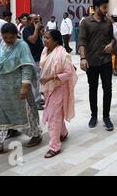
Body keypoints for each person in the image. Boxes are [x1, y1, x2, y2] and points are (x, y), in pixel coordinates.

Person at [0, 23, 42, 159]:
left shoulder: (22, 46)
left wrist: (25, 88)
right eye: (5, 37)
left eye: (11, 37)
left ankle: (36, 135)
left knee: (25, 113)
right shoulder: (1, 44)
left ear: (16, 35)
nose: (8, 40)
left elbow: (27, 67)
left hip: (17, 89)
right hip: (0, 90)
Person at [78, 0, 115, 131]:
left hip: (105, 61)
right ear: (96, 7)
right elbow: (81, 41)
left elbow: (114, 38)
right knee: (92, 88)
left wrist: (111, 44)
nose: (106, 10)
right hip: (91, 61)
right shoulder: (86, 22)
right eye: (104, 7)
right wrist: (83, 58)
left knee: (108, 88)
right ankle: (94, 115)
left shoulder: (108, 22)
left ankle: (106, 116)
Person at [39, 29, 77, 158]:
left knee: (53, 116)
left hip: (59, 88)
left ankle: (54, 147)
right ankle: (63, 132)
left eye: (48, 38)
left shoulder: (63, 54)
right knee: (55, 114)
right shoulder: (45, 50)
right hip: (48, 88)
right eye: (44, 37)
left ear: (55, 40)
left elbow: (69, 73)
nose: (45, 40)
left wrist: (50, 78)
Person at [22, 14, 45, 110]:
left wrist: (41, 31)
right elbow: (33, 40)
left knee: (40, 79)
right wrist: (36, 29)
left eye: (38, 19)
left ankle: (39, 98)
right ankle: (36, 102)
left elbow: (41, 39)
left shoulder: (37, 28)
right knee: (36, 81)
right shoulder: (26, 30)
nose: (37, 21)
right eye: (35, 19)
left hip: (40, 57)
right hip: (33, 58)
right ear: (29, 20)